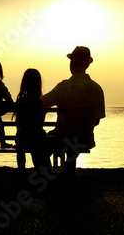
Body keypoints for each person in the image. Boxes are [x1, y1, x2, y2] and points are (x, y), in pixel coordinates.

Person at [40, 46, 105, 184]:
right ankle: (65, 181)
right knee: (71, 145)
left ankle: (50, 176)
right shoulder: (97, 89)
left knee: (41, 146)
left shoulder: (64, 86)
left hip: (63, 136)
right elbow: (98, 119)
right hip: (85, 139)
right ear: (87, 64)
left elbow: (42, 102)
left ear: (71, 64)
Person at [14, 68, 51, 179]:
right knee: (39, 144)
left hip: (22, 139)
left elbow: (19, 124)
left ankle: (21, 175)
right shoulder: (42, 101)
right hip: (37, 138)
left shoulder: (21, 101)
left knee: (25, 142)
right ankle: (43, 173)